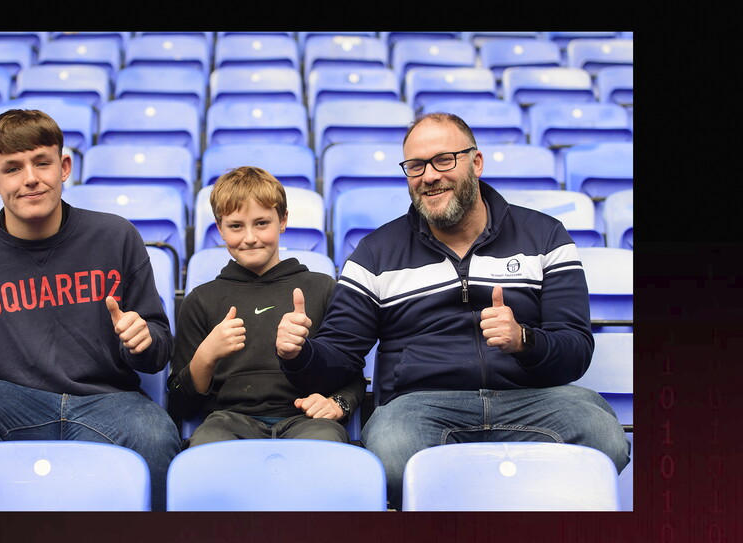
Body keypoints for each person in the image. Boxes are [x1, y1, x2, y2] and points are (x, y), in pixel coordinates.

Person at [276, 112, 631, 509]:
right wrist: (299, 353)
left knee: (603, 439)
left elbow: (576, 348)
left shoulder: (546, 236)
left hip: (534, 399)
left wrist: (523, 340)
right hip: (422, 406)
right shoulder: (375, 253)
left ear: (475, 162)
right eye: (416, 166)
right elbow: (340, 355)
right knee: (392, 455)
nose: (429, 176)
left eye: (444, 160)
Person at [0, 109, 180, 511]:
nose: (30, 178)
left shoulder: (116, 236)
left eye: (42, 162)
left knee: (155, 434)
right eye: (12, 168)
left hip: (108, 399)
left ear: (64, 167)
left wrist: (142, 342)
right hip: (5, 401)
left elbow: (159, 351)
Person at [167, 166, 365, 447]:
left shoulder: (322, 289)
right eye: (236, 226)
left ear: (282, 220)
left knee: (326, 444)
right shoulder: (201, 300)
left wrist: (338, 403)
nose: (249, 237)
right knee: (206, 445)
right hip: (227, 421)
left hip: (308, 420)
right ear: (220, 228)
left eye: (262, 223)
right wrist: (206, 356)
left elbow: (352, 373)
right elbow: (179, 404)